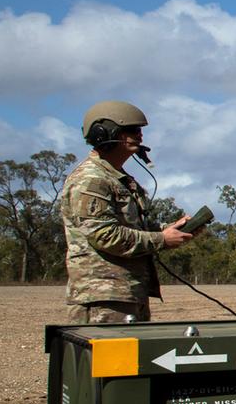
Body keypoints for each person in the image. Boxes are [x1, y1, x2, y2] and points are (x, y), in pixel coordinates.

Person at [59, 100, 196, 323]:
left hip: (127, 293)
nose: (140, 136)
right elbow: (105, 235)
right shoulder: (91, 180)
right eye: (132, 130)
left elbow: (132, 227)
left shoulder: (118, 178)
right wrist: (161, 239)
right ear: (104, 133)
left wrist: (169, 231)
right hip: (104, 297)